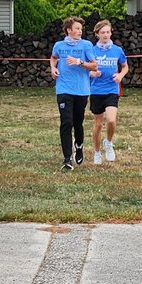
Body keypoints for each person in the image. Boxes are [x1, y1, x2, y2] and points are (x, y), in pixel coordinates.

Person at [49, 16, 97, 171]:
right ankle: (67, 158)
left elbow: (94, 66)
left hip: (81, 90)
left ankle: (79, 145)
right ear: (68, 30)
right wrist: (53, 68)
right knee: (66, 122)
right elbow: (53, 57)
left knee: (77, 123)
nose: (80, 31)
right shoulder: (59, 45)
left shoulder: (86, 45)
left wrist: (79, 62)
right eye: (77, 28)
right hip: (63, 89)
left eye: (81, 29)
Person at [88, 19, 129, 164]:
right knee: (98, 124)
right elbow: (84, 68)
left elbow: (125, 66)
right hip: (96, 90)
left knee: (111, 120)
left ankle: (109, 142)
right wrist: (91, 74)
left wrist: (120, 75)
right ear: (97, 34)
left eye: (108, 32)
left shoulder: (117, 50)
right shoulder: (91, 50)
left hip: (112, 89)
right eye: (103, 32)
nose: (106, 35)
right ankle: (97, 152)